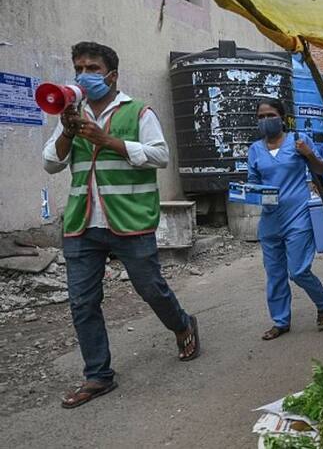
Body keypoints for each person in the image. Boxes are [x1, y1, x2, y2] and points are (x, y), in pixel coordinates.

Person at [42, 42, 199, 409]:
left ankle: (182, 324)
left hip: (129, 219)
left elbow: (160, 156)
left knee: (150, 288)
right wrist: (67, 132)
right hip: (83, 221)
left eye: (92, 68)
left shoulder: (138, 111)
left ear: (112, 75)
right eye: (79, 67)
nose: (84, 75)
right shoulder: (69, 113)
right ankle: (98, 376)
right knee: (83, 301)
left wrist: (107, 140)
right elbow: (51, 163)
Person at [247, 98, 323, 340]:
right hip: (270, 220)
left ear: (282, 118)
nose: (265, 120)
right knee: (274, 274)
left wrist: (309, 155)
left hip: (298, 217)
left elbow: (322, 169)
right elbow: (253, 181)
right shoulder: (255, 149)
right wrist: (249, 192)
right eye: (261, 117)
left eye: (270, 115)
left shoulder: (298, 140)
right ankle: (281, 321)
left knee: (298, 271)